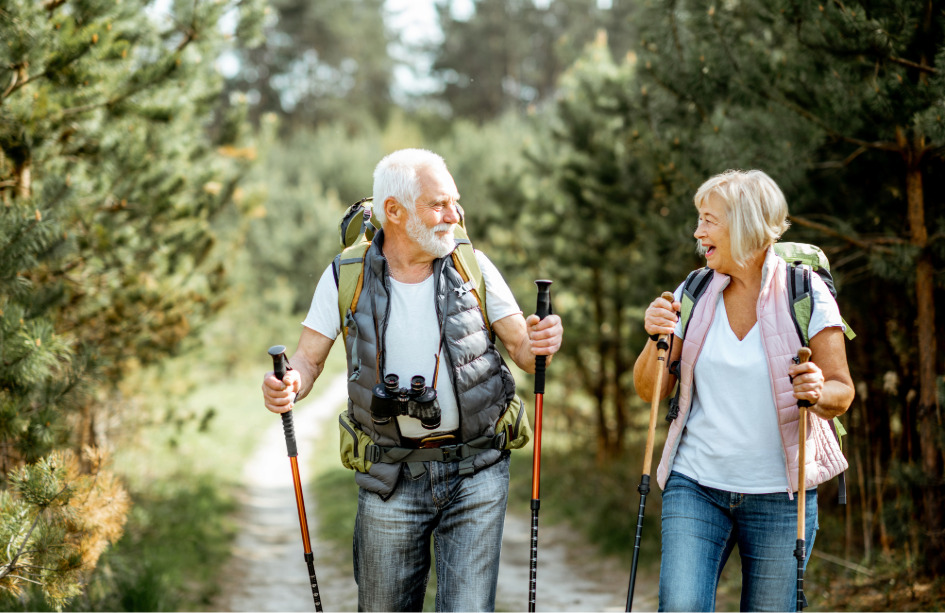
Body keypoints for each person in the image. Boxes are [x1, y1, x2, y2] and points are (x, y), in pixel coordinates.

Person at [261, 148, 564, 612]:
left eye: (454, 202)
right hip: (389, 473)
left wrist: (543, 339)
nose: (454, 215)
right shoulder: (346, 275)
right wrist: (289, 385)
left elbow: (524, 350)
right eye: (438, 204)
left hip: (477, 468)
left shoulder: (473, 266)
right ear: (394, 211)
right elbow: (307, 359)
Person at [632, 169, 854, 612]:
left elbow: (841, 391)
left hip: (780, 496)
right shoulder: (693, 291)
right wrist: (653, 336)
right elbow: (649, 390)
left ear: (747, 224)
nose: (698, 232)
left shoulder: (803, 292)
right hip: (695, 484)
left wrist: (816, 390)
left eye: (709, 220)